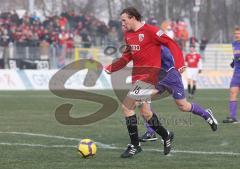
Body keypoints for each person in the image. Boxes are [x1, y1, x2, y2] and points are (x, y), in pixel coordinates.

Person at [104, 7, 185, 158]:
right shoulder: (128, 35)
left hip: (150, 76)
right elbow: (126, 57)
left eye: (124, 20)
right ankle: (166, 135)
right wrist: (112, 67)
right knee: (146, 112)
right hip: (137, 77)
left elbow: (172, 44)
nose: (122, 24)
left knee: (127, 106)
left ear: (133, 18)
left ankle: (135, 145)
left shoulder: (152, 31)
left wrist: (179, 63)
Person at [139, 46, 218, 142]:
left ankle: (206, 114)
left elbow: (175, 54)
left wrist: (180, 64)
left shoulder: (161, 47)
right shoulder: (141, 44)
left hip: (171, 77)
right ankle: (151, 131)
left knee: (183, 106)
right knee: (141, 97)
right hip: (158, 78)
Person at [223, 26, 240, 123]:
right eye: (236, 34)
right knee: (233, 92)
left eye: (239, 33)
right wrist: (233, 62)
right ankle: (233, 117)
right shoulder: (234, 44)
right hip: (236, 73)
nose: (237, 35)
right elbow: (236, 57)